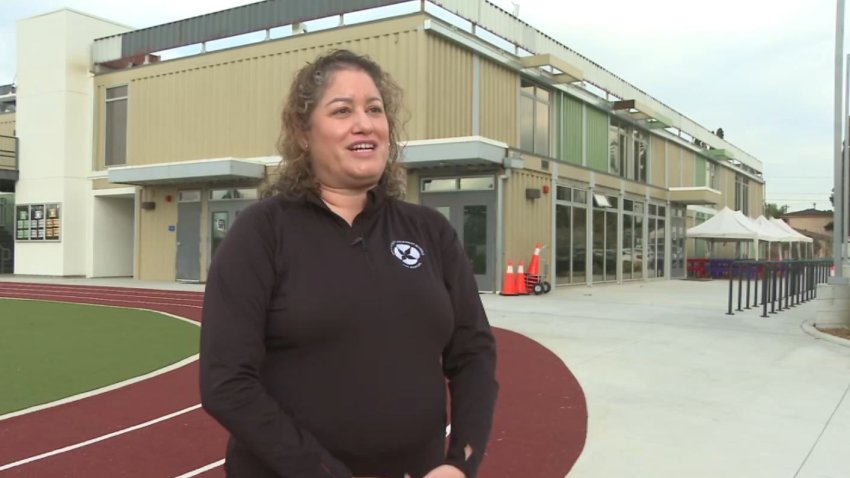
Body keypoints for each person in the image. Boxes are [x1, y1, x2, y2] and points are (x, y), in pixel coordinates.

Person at [199, 49, 498, 478]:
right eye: (342, 110)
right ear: (303, 133)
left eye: (374, 109)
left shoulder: (429, 230)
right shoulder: (262, 232)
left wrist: (460, 462)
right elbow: (226, 382)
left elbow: (474, 354)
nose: (365, 122)